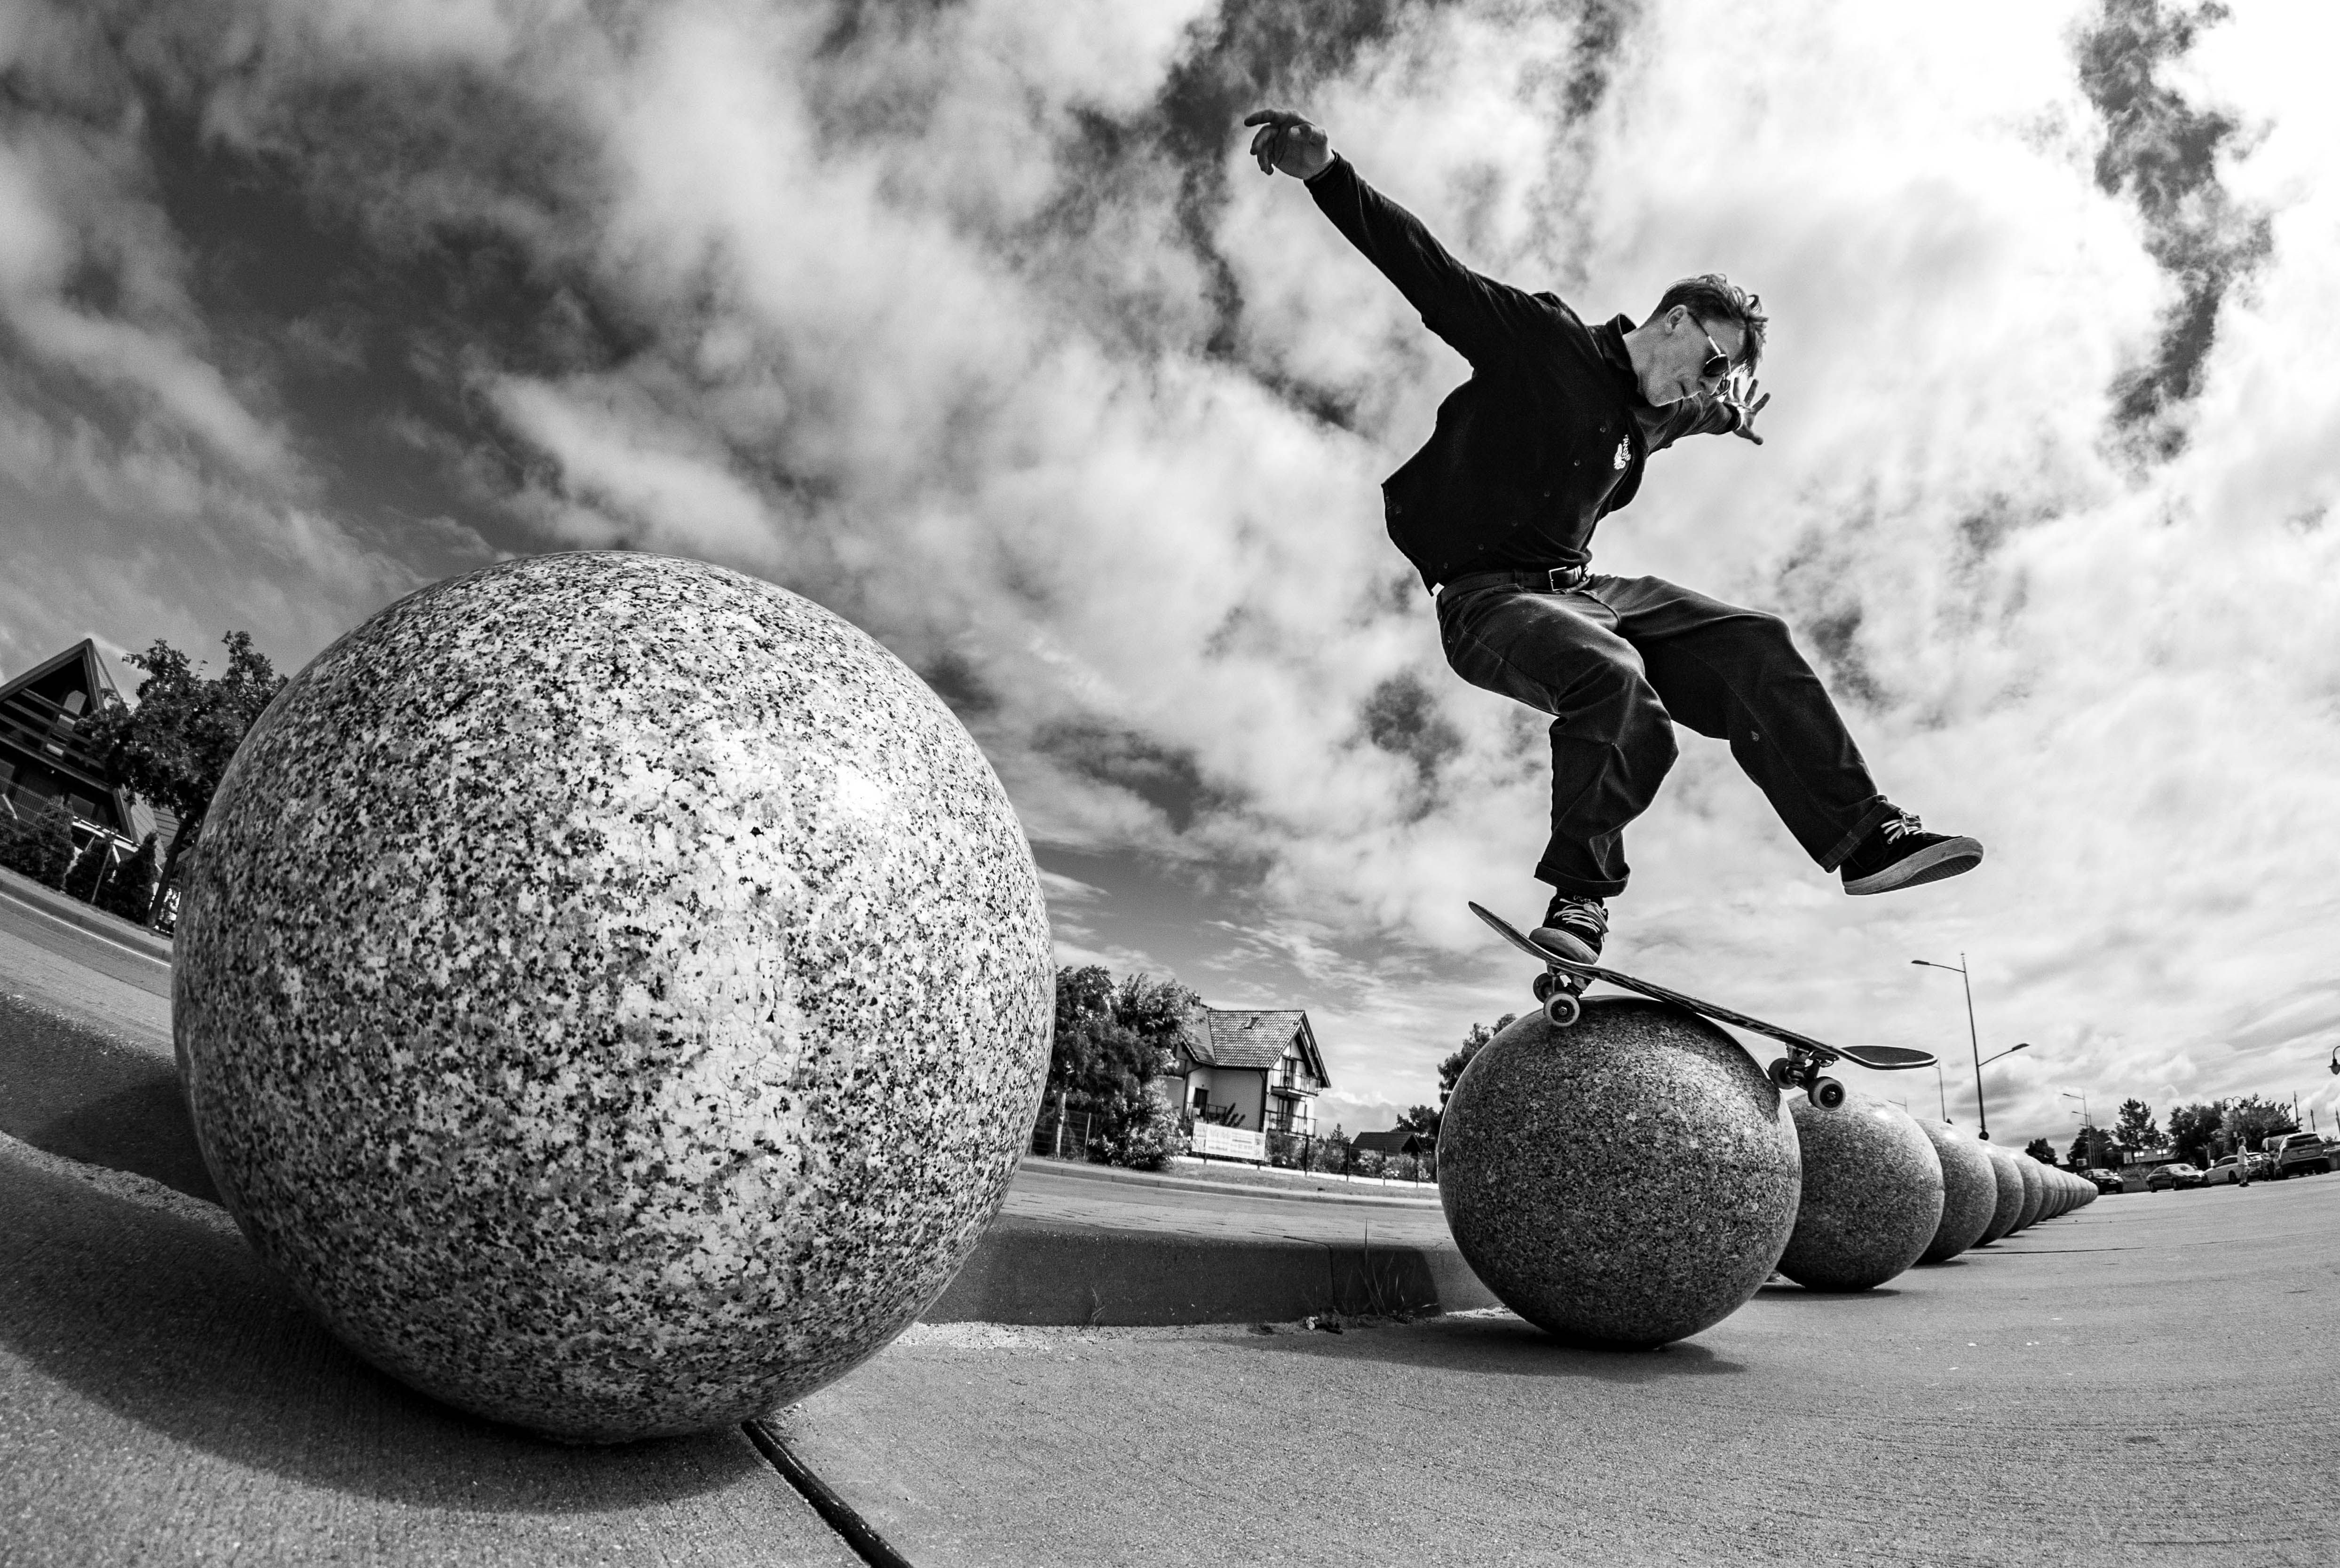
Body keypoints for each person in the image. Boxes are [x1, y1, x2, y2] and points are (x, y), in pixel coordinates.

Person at [1244, 109, 1982, 961]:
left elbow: (1687, 416)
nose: (1704, 386)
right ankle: (1582, 895)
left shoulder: (1654, 416)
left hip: (1585, 592)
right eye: (1712, 363)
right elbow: (1433, 274)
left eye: (1724, 377)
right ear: (1672, 322)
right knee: (1614, 680)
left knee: (1755, 643)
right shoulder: (1543, 342)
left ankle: (1863, 839)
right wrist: (1327, 174)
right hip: (1489, 601)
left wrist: (1724, 409)